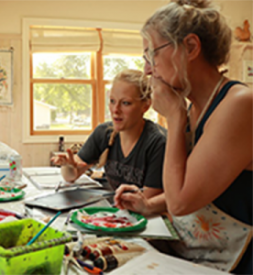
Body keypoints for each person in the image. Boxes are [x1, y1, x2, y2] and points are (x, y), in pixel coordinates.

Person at [141, 0, 253, 273]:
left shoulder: (241, 104)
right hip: (200, 257)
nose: (147, 70)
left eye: (151, 54)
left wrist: (174, 117)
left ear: (190, 47)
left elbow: (180, 202)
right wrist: (146, 204)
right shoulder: (194, 108)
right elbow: (192, 183)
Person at [50, 69, 169, 216]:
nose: (115, 110)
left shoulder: (157, 143)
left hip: (146, 221)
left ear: (145, 106)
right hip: (118, 212)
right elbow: (71, 176)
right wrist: (68, 166)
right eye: (112, 101)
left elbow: (145, 204)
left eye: (125, 103)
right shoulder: (104, 132)